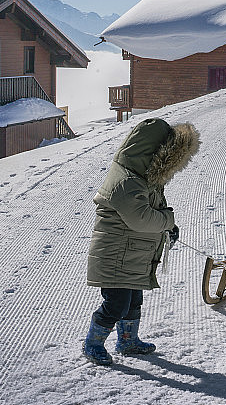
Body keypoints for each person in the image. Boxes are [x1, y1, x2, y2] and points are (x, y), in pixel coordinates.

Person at [83, 118, 200, 365]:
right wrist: (168, 220)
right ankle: (92, 343)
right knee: (116, 304)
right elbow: (142, 219)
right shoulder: (126, 181)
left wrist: (169, 228)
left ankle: (127, 340)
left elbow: (153, 209)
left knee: (134, 301)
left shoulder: (143, 178)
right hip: (115, 256)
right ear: (152, 153)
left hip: (131, 255)